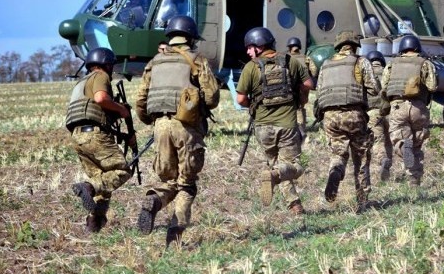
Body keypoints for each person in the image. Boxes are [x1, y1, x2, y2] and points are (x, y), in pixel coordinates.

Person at [135, 15, 220, 247]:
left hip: (159, 127)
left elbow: (141, 100)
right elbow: (212, 98)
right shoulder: (197, 59)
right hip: (187, 127)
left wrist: (152, 122)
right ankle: (175, 230)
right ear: (190, 38)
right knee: (186, 184)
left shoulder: (154, 62)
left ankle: (154, 199)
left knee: (169, 180)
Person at [236, 27, 314, 215]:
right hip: (287, 125)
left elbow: (240, 99)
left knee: (276, 164)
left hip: (263, 128)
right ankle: (274, 176)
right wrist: (301, 98)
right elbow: (309, 84)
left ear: (260, 46)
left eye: (250, 47)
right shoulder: (290, 62)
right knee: (293, 166)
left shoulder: (250, 67)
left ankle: (295, 206)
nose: (247, 52)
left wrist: (254, 106)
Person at [66, 47, 135, 233]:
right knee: (121, 170)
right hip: (93, 134)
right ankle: (88, 187)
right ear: (107, 64)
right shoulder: (100, 75)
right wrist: (121, 109)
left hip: (78, 136)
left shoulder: (81, 82)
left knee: (103, 179)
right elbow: (101, 98)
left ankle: (93, 225)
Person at [316, 30, 380, 212]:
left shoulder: (326, 65)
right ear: (354, 46)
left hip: (330, 118)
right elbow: (374, 88)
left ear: (337, 46)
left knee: (338, 153)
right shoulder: (360, 62)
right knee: (361, 157)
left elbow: (320, 91)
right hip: (354, 115)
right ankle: (362, 201)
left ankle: (336, 170)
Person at [380, 35, 437, 186]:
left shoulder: (392, 65)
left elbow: (384, 87)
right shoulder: (425, 63)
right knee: (416, 145)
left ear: (402, 49)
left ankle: (406, 155)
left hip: (398, 107)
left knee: (403, 142)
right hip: (418, 108)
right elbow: (432, 86)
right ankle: (414, 181)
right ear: (417, 48)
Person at [365, 50, 393, 181]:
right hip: (391, 111)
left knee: (378, 141)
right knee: (389, 141)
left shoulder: (366, 74)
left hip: (373, 113)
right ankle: (388, 168)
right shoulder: (389, 72)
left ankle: (383, 160)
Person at [286, 37, 318, 143]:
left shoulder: (286, 58)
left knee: (290, 108)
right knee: (300, 108)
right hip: (303, 87)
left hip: (290, 88)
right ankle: (301, 130)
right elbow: (314, 71)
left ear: (290, 47)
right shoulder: (306, 58)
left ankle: (296, 133)